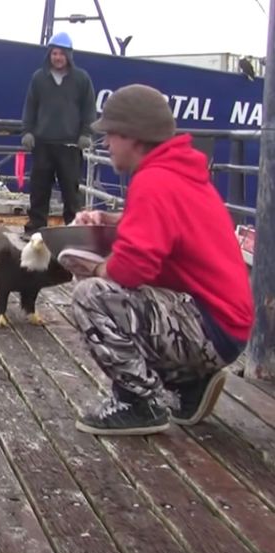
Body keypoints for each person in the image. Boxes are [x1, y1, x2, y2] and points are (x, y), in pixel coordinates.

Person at [62, 83, 254, 436]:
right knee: (119, 297)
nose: (106, 144)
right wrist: (109, 222)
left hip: (210, 326)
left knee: (93, 295)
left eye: (111, 135)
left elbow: (133, 269)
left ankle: (138, 403)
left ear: (133, 137)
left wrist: (93, 266)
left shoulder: (155, 181)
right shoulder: (176, 173)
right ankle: (190, 384)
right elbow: (164, 231)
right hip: (224, 325)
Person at [20, 31, 97, 241]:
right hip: (43, 143)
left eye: (61, 54)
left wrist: (85, 134)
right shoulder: (39, 78)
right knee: (39, 189)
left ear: (69, 55)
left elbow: (89, 109)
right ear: (49, 55)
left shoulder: (81, 79)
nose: (57, 58)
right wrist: (27, 132)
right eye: (54, 53)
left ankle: (73, 229)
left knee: (71, 191)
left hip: (70, 145)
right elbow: (30, 107)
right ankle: (35, 227)